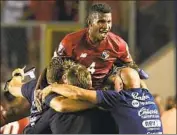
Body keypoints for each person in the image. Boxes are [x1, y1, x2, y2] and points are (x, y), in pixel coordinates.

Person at [1, 57, 117, 134]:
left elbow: (12, 86)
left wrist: (17, 75)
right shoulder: (49, 98)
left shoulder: (40, 92)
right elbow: (61, 105)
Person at [49, 2, 148, 90]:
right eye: (101, 22)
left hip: (103, 92)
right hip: (74, 91)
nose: (106, 27)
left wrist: (139, 83)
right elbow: (54, 69)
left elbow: (130, 67)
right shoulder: (70, 41)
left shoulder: (118, 44)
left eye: (109, 22)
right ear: (90, 23)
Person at [41, 67, 163, 134]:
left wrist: (53, 86)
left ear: (120, 84)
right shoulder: (148, 95)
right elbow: (138, 82)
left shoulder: (119, 98)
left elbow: (78, 93)